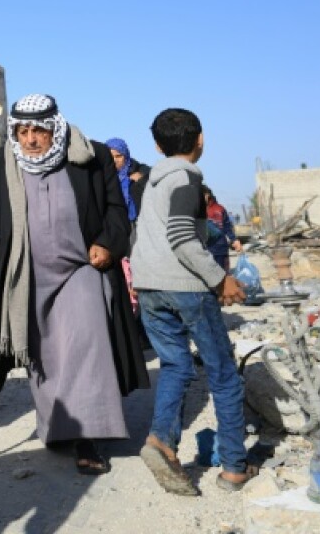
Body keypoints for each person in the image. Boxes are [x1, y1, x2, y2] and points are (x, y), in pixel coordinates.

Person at [0, 94, 148, 476]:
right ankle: (57, 426)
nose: (31, 138)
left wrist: (106, 243)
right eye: (23, 130)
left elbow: (115, 209)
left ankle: (87, 435)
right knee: (46, 355)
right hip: (28, 274)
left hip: (80, 268)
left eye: (39, 129)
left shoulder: (91, 156)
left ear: (56, 127)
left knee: (85, 342)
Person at [132, 108, 251, 495]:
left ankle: (162, 440)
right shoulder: (186, 177)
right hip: (185, 285)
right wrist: (221, 280)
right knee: (223, 374)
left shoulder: (152, 181)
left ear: (157, 145)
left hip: (149, 286)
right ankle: (234, 467)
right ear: (200, 139)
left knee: (176, 365)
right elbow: (183, 237)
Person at [105, 137, 149, 317]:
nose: (114, 160)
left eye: (118, 156)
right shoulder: (103, 177)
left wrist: (142, 180)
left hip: (137, 228)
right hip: (116, 229)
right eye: (111, 157)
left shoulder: (141, 171)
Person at [203, 186, 243, 272]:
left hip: (220, 248)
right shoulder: (197, 210)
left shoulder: (219, 208)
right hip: (205, 250)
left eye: (202, 194)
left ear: (207, 195)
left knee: (223, 276)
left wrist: (235, 240)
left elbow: (227, 226)